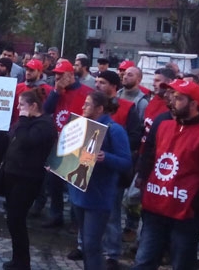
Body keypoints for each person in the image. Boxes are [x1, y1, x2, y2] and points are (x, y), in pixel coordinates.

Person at [134, 79, 199, 269]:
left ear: (193, 104)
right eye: (172, 97)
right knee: (144, 260)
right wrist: (145, 189)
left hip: (185, 214)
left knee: (181, 263)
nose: (172, 101)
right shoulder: (164, 126)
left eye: (179, 98)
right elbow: (150, 157)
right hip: (155, 208)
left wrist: (195, 205)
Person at [70, 91, 131, 270]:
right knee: (87, 245)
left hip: (98, 195)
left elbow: (126, 162)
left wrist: (106, 158)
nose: (83, 107)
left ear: (99, 108)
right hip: (79, 192)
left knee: (91, 244)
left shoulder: (115, 130)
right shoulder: (81, 125)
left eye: (87, 104)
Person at [1, 89, 56, 270]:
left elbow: (26, 141)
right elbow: (14, 138)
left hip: (28, 178)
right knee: (12, 219)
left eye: (21, 105)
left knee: (17, 219)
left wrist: (23, 120)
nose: (19, 108)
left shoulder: (45, 124)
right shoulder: (27, 121)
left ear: (33, 106)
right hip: (13, 174)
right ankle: (18, 259)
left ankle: (23, 262)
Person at [40, 59, 93, 228]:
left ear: (71, 75)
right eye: (55, 75)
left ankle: (76, 221)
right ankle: (56, 215)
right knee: (53, 183)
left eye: (61, 75)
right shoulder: (56, 92)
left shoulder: (87, 92)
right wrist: (56, 91)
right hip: (58, 143)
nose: (57, 78)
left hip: (78, 142)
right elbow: (46, 110)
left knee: (74, 185)